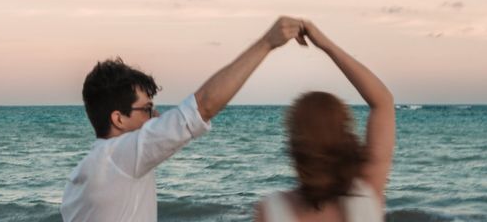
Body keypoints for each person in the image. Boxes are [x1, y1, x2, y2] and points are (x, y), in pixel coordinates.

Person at [61, 16, 308, 222]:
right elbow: (203, 106)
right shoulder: (121, 156)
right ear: (118, 119)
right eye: (146, 109)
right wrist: (267, 43)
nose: (155, 117)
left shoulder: (80, 178)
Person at [254, 20, 395, 222]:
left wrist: (267, 43)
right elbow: (383, 102)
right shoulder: (365, 195)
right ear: (345, 137)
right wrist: (326, 45)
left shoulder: (272, 211)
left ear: (295, 144)